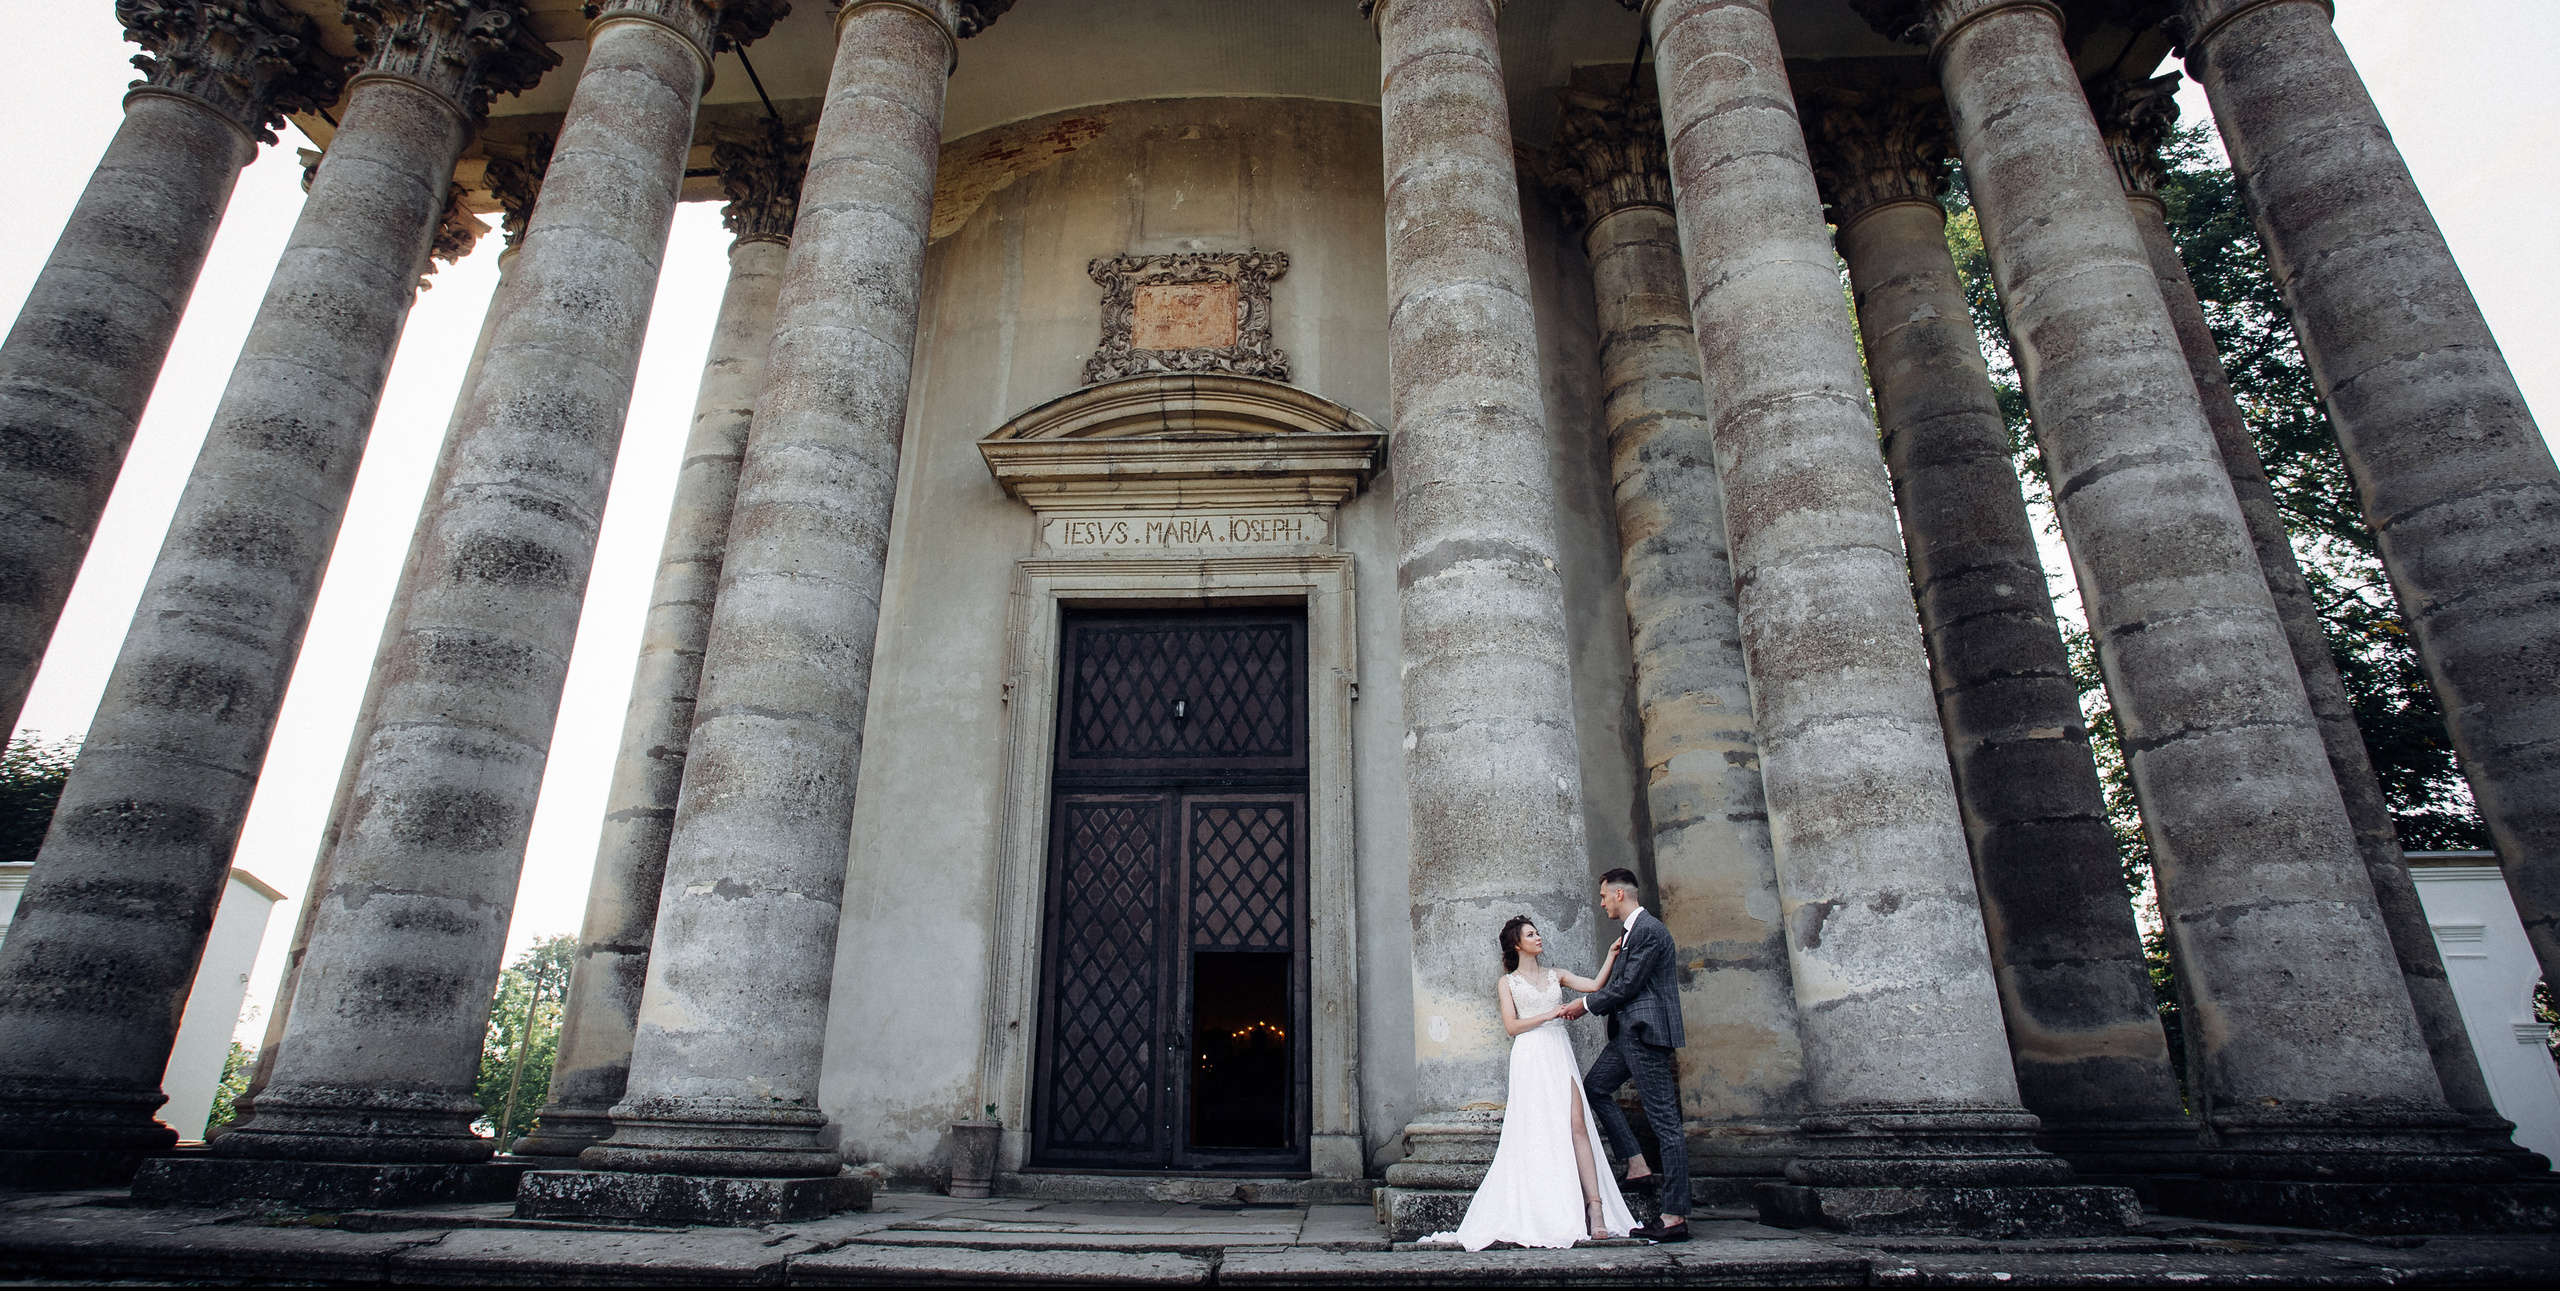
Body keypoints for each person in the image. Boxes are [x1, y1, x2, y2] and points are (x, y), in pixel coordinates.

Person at [1426, 916, 1639, 1250]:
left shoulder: (1557, 974)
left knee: (1576, 1123)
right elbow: (1511, 1027)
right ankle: (1548, 1207)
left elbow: (1596, 986)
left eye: (1537, 932)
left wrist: (1612, 955)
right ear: (1516, 943)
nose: (1538, 937)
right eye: (1530, 934)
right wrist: (1550, 1014)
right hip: (1529, 1054)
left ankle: (1595, 1207)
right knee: (1536, 1130)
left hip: (1558, 1051)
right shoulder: (1507, 982)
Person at [1560, 868, 1691, 1242]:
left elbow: (1630, 985)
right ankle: (1636, 1166)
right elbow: (1621, 982)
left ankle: (1675, 1215)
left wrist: (1583, 1005)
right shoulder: (1630, 933)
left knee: (1666, 1124)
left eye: (1603, 896)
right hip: (1627, 1035)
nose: (1601, 903)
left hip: (1644, 1035)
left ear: (1619, 894)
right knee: (1595, 1088)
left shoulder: (1649, 930)